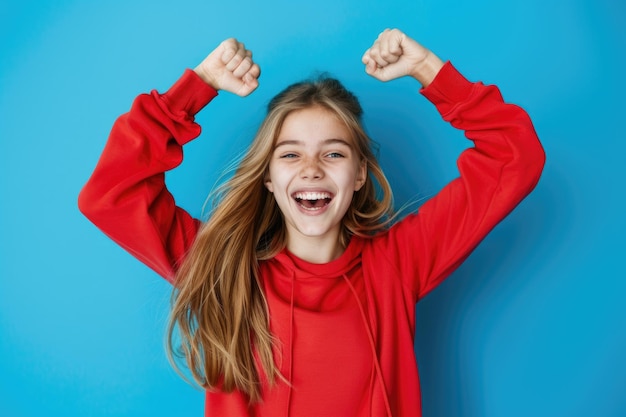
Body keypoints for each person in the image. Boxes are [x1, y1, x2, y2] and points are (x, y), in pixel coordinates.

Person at [78, 28, 545, 417]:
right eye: (290, 154)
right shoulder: (224, 267)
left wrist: (429, 70)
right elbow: (110, 193)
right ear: (267, 177)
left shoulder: (399, 262)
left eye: (334, 153)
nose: (312, 169)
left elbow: (515, 156)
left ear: (360, 173)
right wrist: (196, 86)